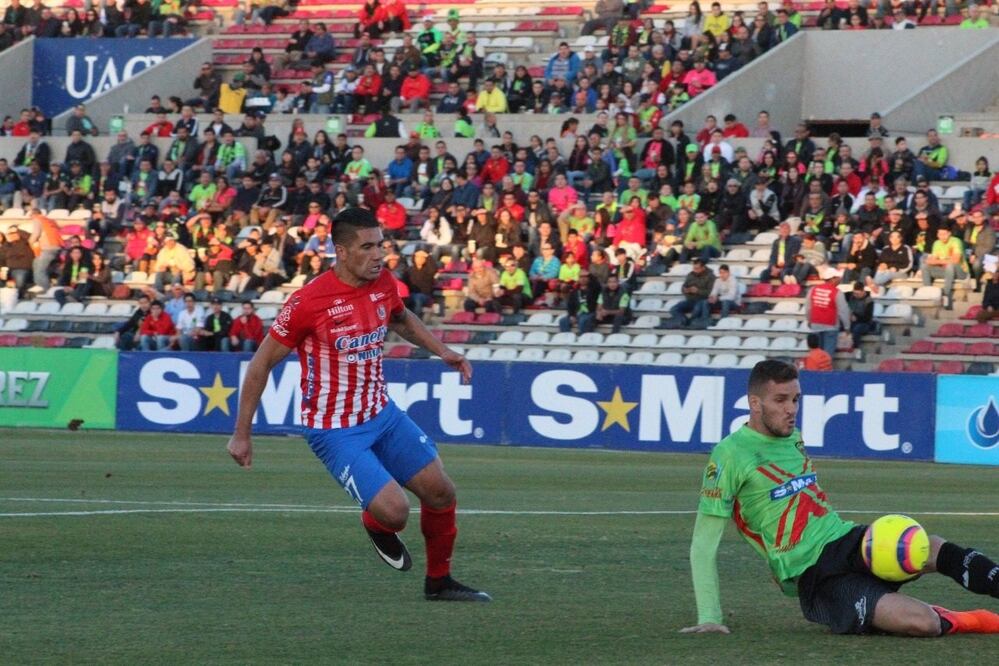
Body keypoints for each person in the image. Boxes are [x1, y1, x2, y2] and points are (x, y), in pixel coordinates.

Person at [226, 208, 489, 602]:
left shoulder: (383, 281)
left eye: (380, 244)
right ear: (341, 251)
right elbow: (262, 362)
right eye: (367, 247)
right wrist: (241, 434)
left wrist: (443, 351)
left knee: (441, 492)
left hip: (381, 413)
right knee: (395, 512)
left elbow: (400, 319)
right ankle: (377, 524)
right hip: (334, 429)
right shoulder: (307, 302)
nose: (379, 254)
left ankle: (439, 582)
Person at [684, 359, 999, 638]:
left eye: (795, 399)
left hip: (846, 539)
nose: (791, 409)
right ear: (755, 403)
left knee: (931, 546)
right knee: (923, 623)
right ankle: (975, 619)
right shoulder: (729, 455)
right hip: (814, 573)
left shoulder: (792, 437)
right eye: (780, 400)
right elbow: (703, 543)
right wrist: (710, 616)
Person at [805, 270, 850, 358]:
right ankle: (826, 371)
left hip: (816, 325)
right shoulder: (837, 292)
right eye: (838, 278)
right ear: (832, 279)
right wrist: (847, 326)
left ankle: (815, 370)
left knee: (816, 354)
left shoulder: (813, 290)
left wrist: (809, 320)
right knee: (827, 356)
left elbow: (808, 307)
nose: (840, 280)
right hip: (831, 325)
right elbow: (843, 311)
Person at [920, 226, 966, 310]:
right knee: (924, 266)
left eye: (944, 234)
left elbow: (955, 260)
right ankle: (928, 293)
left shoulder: (956, 241)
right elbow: (932, 260)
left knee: (950, 266)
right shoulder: (936, 243)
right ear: (937, 235)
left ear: (949, 233)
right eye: (940, 234)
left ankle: (946, 295)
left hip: (960, 272)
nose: (942, 236)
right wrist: (936, 261)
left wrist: (938, 261)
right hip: (945, 271)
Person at [670, 258, 715, 323]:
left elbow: (711, 293)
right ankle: (684, 321)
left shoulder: (711, 276)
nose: (695, 270)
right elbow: (684, 286)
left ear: (703, 267)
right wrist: (685, 290)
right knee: (674, 309)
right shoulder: (690, 274)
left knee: (696, 310)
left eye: (697, 268)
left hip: (702, 301)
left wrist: (697, 291)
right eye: (694, 268)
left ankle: (690, 323)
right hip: (690, 300)